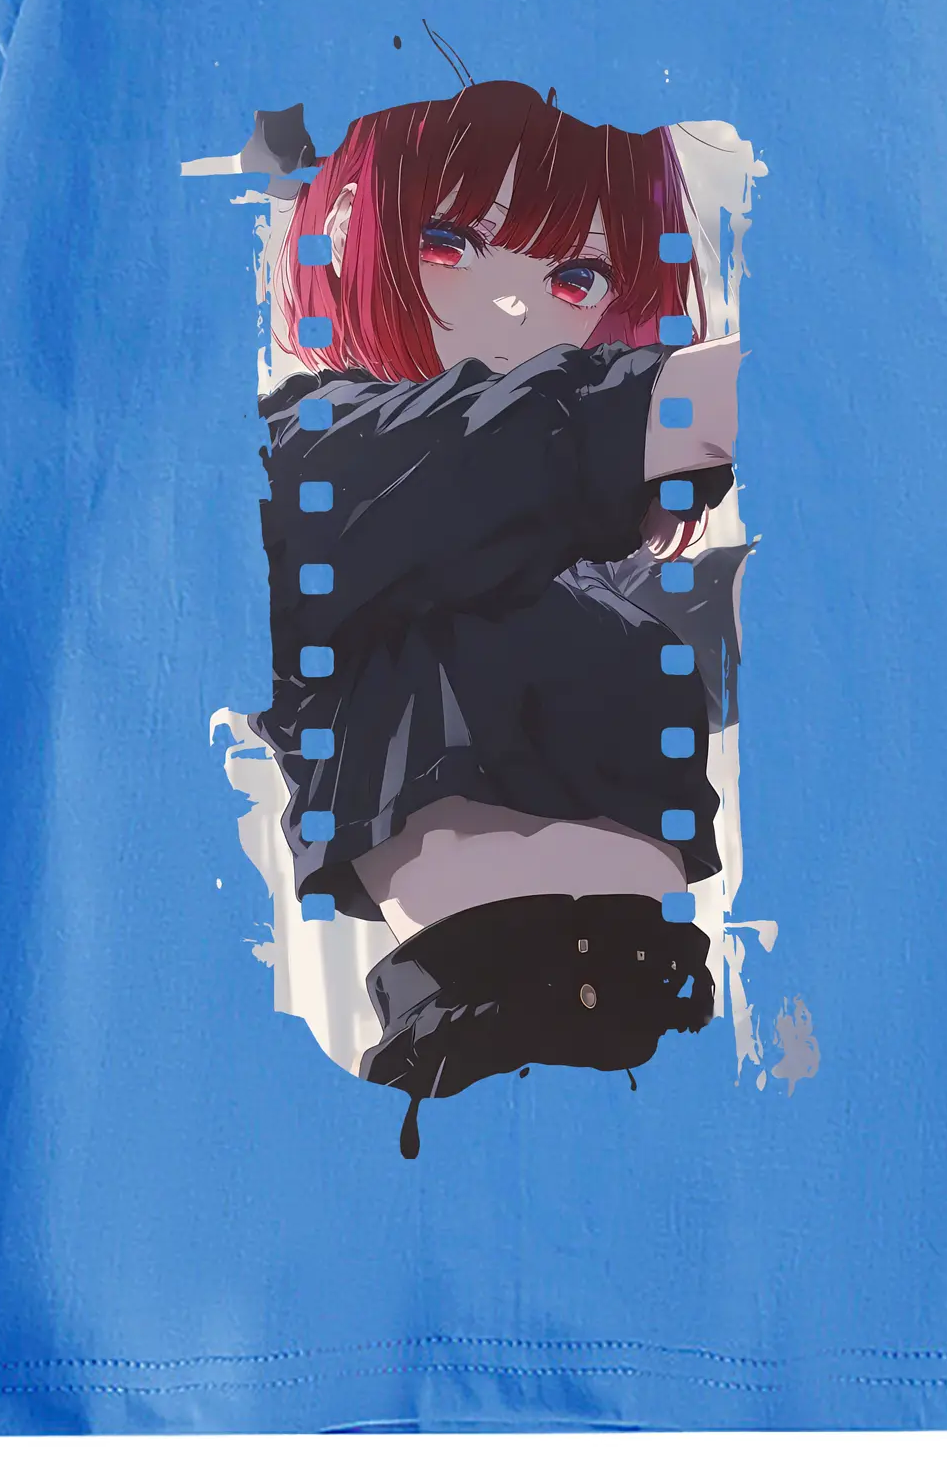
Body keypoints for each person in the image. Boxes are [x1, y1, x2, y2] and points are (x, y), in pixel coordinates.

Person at [255, 77, 747, 1155]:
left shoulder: (591, 582)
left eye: (575, 273)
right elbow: (495, 451)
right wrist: (702, 408)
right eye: (449, 244)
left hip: (664, 1038)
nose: (516, 306)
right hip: (480, 1040)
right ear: (363, 235)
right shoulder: (310, 464)